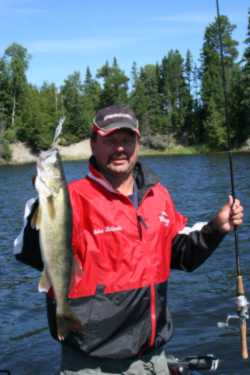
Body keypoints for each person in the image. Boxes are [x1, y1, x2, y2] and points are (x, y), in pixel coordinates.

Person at [14, 105, 244, 375]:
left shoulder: (157, 195)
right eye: (110, 140)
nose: (120, 148)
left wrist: (216, 228)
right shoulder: (73, 198)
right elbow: (28, 252)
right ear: (93, 144)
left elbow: (179, 253)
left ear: (138, 143)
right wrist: (41, 205)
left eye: (127, 140)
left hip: (153, 359)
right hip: (94, 364)